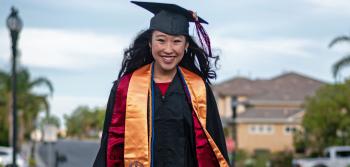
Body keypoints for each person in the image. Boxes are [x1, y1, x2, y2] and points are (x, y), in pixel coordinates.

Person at [93, 1, 230, 167]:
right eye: (161, 40)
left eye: (177, 41)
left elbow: (214, 147)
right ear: (150, 42)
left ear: (186, 45)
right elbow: (110, 146)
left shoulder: (198, 90)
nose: (168, 49)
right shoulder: (126, 88)